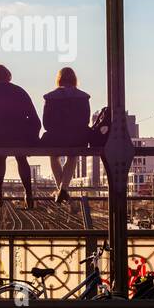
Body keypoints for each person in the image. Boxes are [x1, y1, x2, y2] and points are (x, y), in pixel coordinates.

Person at [0, 64, 40, 209]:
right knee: (21, 159)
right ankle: (28, 193)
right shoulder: (19, 91)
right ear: (8, 75)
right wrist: (32, 138)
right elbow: (35, 119)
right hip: (20, 138)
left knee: (0, 158)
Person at [40, 67, 90, 205]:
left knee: (53, 156)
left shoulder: (50, 97)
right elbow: (85, 120)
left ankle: (61, 189)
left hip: (55, 137)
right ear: (74, 80)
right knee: (72, 156)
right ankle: (63, 189)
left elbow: (46, 123)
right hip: (77, 137)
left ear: (59, 79)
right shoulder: (83, 97)